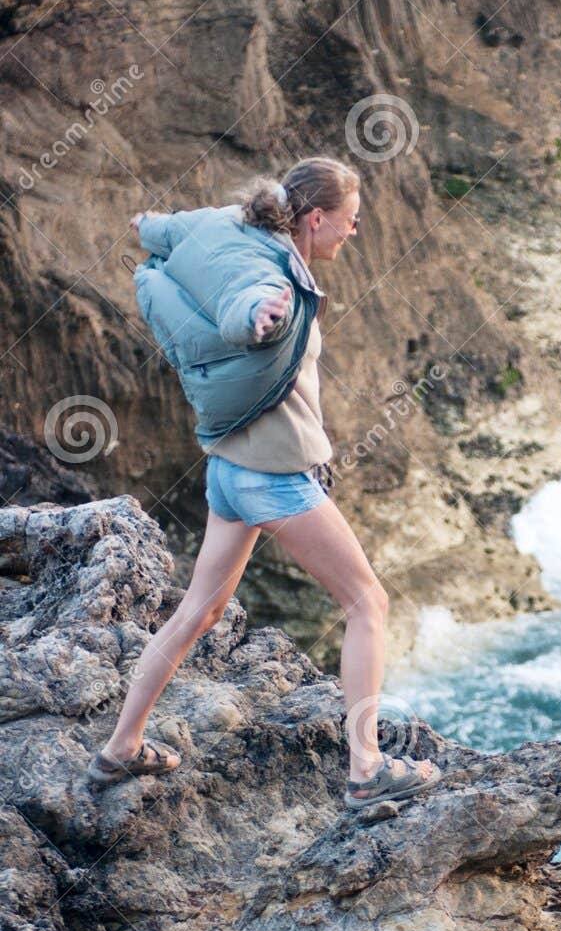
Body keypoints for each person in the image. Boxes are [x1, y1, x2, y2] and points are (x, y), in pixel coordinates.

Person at [87, 156, 440, 812]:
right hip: (272, 477)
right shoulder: (269, 274)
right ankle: (365, 770)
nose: (353, 234)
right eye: (349, 223)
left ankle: (120, 748)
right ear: (313, 219)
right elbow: (246, 301)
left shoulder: (248, 236)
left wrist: (149, 224)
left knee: (200, 611)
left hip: (228, 471)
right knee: (369, 604)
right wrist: (259, 320)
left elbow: (177, 231)